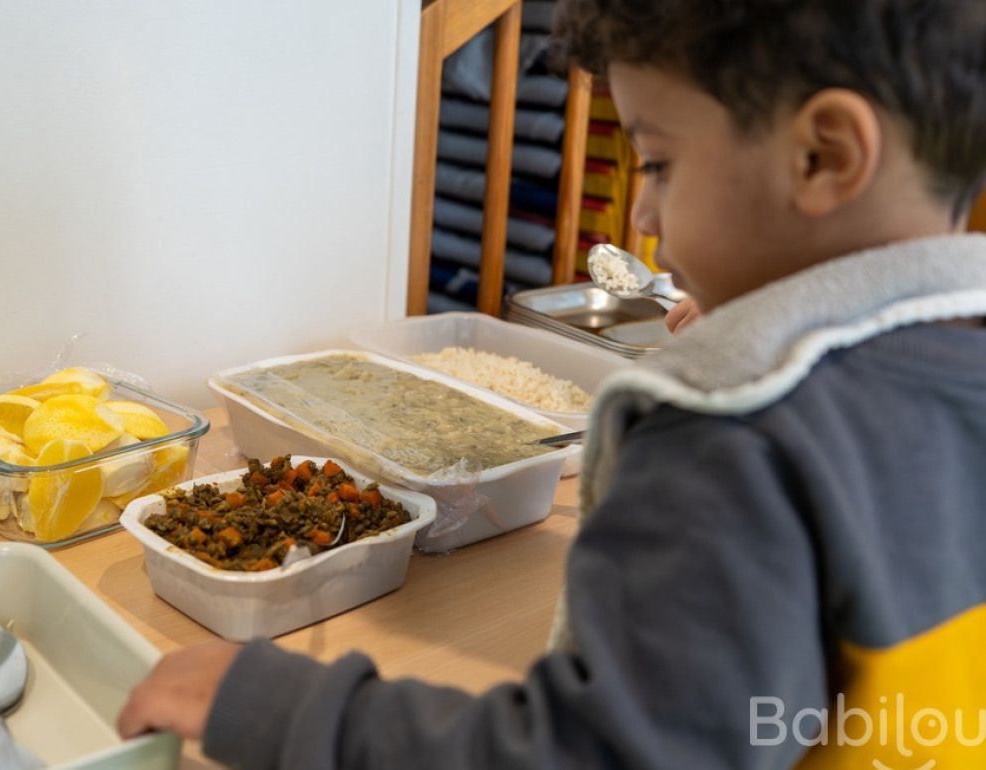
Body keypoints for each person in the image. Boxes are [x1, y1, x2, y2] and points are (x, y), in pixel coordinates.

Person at [118, 0, 986, 767]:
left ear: (823, 156)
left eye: (657, 163)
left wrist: (291, 711)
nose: (642, 214)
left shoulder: (730, 437)